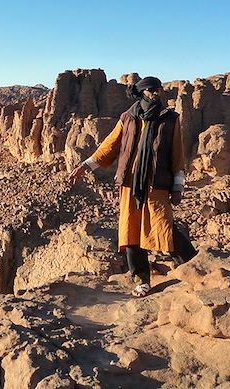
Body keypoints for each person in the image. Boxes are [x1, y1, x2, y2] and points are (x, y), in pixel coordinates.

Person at [69, 76, 195, 297]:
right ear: (142, 92)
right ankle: (141, 279)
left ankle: (193, 266)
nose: (156, 93)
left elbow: (177, 155)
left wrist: (178, 186)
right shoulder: (128, 118)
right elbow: (110, 145)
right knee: (131, 231)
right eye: (151, 90)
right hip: (129, 184)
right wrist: (86, 166)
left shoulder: (169, 119)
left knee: (164, 225)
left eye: (158, 89)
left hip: (157, 184)